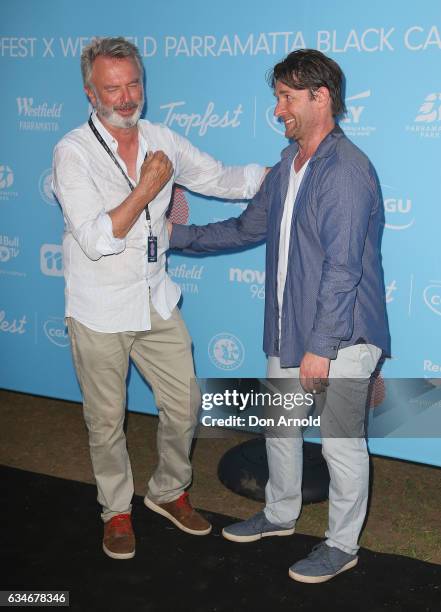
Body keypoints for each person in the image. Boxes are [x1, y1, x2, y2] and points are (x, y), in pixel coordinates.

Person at [169, 49, 390, 583]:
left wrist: (323, 345)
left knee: (340, 443)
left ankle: (342, 545)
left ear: (322, 97)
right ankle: (279, 514)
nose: (278, 109)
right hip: (291, 326)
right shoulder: (288, 165)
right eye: (277, 97)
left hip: (342, 334)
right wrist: (172, 238)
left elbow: (343, 269)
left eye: (287, 97)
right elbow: (246, 228)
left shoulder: (347, 171)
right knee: (281, 428)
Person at [52, 36, 265, 560]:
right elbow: (99, 239)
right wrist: (146, 189)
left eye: (134, 85)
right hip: (99, 307)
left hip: (154, 298)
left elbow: (219, 178)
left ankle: (169, 491)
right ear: (90, 93)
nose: (126, 98)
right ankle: (117, 510)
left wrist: (288, 173)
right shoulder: (72, 152)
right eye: (112, 88)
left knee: (186, 402)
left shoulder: (161, 137)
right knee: (107, 420)